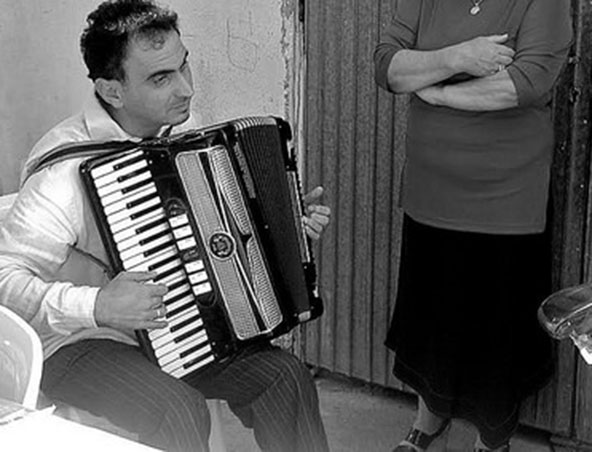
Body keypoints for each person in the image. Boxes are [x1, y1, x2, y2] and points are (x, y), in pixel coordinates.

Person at [0, 1, 331, 451]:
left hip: (180, 326)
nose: (186, 89)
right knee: (178, 409)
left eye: (183, 67)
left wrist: (286, 233)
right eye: (161, 78)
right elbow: (5, 281)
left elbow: (216, 234)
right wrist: (96, 305)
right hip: (79, 341)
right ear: (112, 91)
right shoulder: (60, 175)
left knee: (284, 376)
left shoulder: (176, 131)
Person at [374, 0, 572, 451]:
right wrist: (458, 58)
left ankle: (492, 438)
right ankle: (430, 416)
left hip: (507, 200)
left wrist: (438, 92)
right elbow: (387, 66)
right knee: (430, 316)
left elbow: (524, 83)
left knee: (497, 332)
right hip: (431, 190)